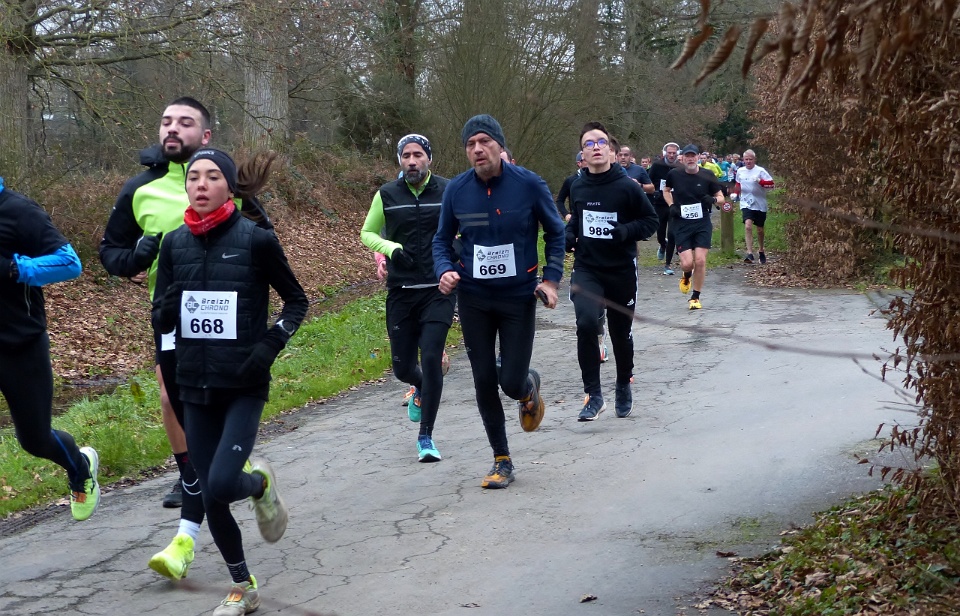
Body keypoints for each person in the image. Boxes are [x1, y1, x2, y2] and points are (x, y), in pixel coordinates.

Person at [100, 97, 271, 580]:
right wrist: (136, 258)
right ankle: (200, 486)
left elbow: (264, 246)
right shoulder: (141, 189)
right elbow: (110, 252)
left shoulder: (224, 184)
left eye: (185, 122)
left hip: (229, 332)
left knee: (205, 431)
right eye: (166, 121)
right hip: (173, 323)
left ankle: (190, 528)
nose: (172, 129)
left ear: (206, 135)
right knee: (172, 404)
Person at [153, 148, 307, 616]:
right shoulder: (173, 244)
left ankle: (258, 484)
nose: (200, 185)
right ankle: (243, 586)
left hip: (243, 383)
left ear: (229, 187)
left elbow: (297, 302)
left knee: (221, 483)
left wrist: (270, 345)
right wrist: (166, 311)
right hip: (194, 386)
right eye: (193, 177)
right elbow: (162, 319)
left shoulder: (256, 240)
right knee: (211, 494)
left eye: (212, 177)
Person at [432, 114, 565, 489]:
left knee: (509, 381)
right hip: (474, 297)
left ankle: (526, 387)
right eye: (470, 144)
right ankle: (501, 459)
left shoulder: (529, 184)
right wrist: (444, 269)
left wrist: (551, 281)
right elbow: (441, 239)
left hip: (518, 297)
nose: (477, 149)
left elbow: (556, 232)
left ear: (499, 146)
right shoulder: (457, 190)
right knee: (483, 379)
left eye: (484, 142)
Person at [0, 178, 100, 522]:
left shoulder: (19, 212)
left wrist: (15, 268)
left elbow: (69, 262)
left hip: (19, 345)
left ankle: (80, 467)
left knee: (35, 439)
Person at [360, 134, 455, 462]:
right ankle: (420, 386)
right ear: (400, 161)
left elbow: (464, 228)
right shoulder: (387, 194)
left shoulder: (448, 190)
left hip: (438, 289)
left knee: (431, 357)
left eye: (418, 155)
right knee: (402, 368)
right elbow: (367, 232)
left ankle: (426, 437)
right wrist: (391, 249)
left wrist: (457, 255)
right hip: (401, 291)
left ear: (429, 158)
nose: (412, 161)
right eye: (406, 156)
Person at [565, 122, 658, 420]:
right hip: (587, 268)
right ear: (582, 153)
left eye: (601, 142)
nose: (595, 147)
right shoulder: (578, 186)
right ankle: (593, 395)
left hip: (620, 270)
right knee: (586, 323)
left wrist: (625, 231)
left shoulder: (627, 187)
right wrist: (569, 234)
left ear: (610, 150)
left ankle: (623, 383)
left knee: (620, 333)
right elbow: (577, 219)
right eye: (589, 143)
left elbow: (650, 221)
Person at [664, 144, 725, 310]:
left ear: (698, 157)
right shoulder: (674, 174)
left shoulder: (708, 175)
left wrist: (713, 200)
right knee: (687, 264)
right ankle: (686, 275)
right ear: (682, 158)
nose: (690, 159)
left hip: (702, 222)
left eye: (693, 156)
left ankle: (695, 297)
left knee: (700, 260)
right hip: (681, 222)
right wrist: (671, 205)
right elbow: (666, 190)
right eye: (687, 156)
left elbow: (721, 198)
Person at [735, 149, 776, 264]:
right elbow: (738, 183)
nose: (748, 161)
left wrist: (760, 181)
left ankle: (761, 250)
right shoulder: (740, 171)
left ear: (754, 160)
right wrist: (736, 193)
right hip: (746, 202)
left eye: (750, 159)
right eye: (746, 159)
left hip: (759, 203)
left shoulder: (760, 171)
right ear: (743, 160)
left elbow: (771, 184)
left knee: (759, 229)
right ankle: (749, 253)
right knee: (748, 226)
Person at [648, 142, 681, 275]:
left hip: (674, 204)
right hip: (660, 203)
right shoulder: (657, 165)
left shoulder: (680, 167)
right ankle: (662, 245)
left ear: (677, 154)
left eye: (674, 153)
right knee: (660, 233)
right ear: (665, 153)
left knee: (672, 233)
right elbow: (649, 181)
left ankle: (668, 264)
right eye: (669, 153)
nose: (671, 155)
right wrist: (655, 191)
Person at [554, 152, 583, 222]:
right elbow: (559, 200)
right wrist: (566, 214)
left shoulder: (597, 179)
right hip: (576, 221)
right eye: (586, 160)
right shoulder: (570, 180)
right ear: (579, 163)